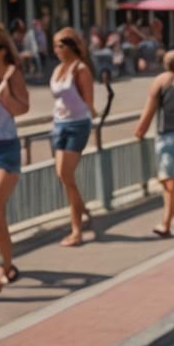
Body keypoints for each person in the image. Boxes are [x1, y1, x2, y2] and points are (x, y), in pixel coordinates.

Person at [133, 49, 174, 238]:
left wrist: (140, 131)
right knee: (168, 180)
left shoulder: (160, 82)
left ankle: (166, 223)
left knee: (168, 179)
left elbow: (150, 108)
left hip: (166, 134)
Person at [0, 22, 30, 297]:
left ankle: (4, 269)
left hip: (5, 148)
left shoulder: (12, 74)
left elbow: (23, 108)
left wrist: (5, 99)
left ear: (2, 49)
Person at [49, 28, 97, 248]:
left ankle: (76, 231)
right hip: (59, 124)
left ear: (69, 46)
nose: (55, 49)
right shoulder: (59, 68)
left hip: (77, 125)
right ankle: (82, 209)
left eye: (59, 45)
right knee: (64, 178)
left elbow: (88, 101)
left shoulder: (81, 69)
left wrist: (92, 114)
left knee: (65, 174)